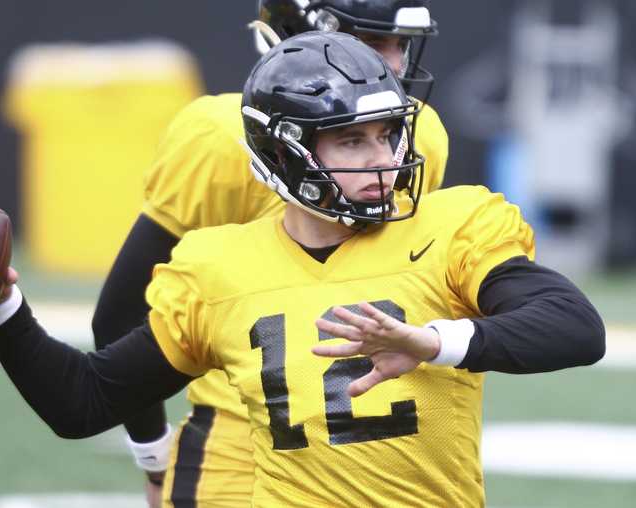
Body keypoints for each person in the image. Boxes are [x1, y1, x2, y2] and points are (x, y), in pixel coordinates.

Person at [0, 32, 604, 507]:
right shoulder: (220, 267)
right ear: (286, 152)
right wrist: (1, 309)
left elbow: (575, 326)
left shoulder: (452, 226)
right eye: (353, 141)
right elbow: (83, 402)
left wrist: (435, 342)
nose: (383, 160)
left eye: (387, 136)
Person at [91, 1, 446, 505]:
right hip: (247, 455)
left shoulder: (419, 136)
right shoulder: (218, 137)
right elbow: (123, 315)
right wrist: (154, 457)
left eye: (400, 45)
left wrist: (152, 458)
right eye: (371, 44)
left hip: (374, 440)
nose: (391, 65)